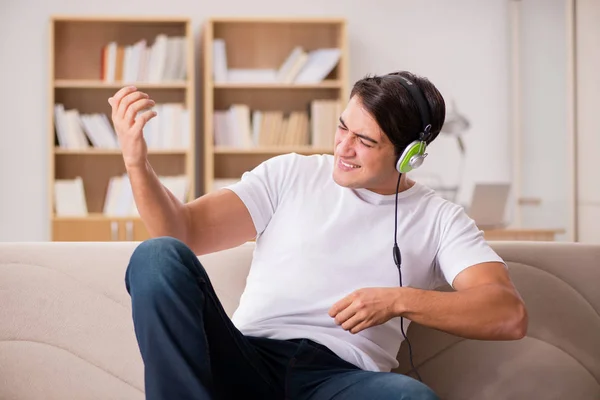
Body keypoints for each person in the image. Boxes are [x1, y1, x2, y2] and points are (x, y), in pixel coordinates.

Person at [108, 70, 528, 400]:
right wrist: (135, 162)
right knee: (157, 255)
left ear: (409, 157)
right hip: (247, 359)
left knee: (409, 397)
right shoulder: (291, 173)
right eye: (343, 127)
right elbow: (182, 231)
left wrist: (398, 300)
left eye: (364, 140)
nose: (343, 147)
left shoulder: (441, 219)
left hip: (340, 380)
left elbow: (507, 314)